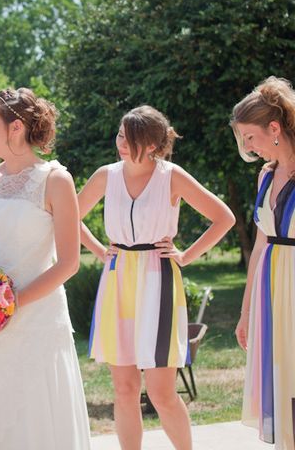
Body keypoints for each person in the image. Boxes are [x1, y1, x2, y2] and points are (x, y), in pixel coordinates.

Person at [77, 105, 235, 450]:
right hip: (117, 279)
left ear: (151, 144)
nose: (121, 142)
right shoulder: (106, 175)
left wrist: (185, 256)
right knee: (124, 389)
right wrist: (99, 250)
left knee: (162, 392)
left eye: (129, 137)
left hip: (158, 278)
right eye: (120, 134)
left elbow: (224, 218)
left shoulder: (171, 176)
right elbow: (69, 215)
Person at [0, 88, 91, 449]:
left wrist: (11, 303)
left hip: (37, 319)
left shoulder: (56, 180)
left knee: (34, 414)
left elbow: (69, 263)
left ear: (15, 127)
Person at [231, 76, 295, 450]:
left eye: (249, 137)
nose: (248, 147)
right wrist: (245, 311)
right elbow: (259, 245)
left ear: (274, 128)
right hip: (271, 290)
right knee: (282, 383)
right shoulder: (265, 176)